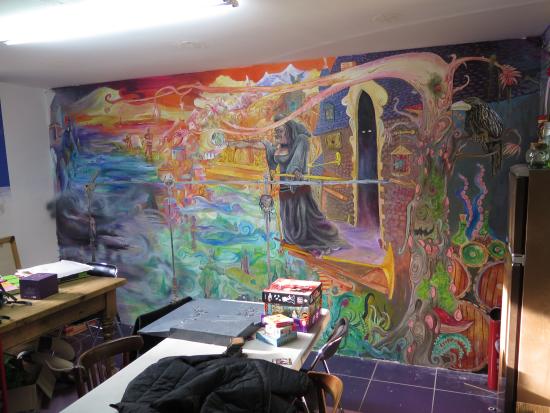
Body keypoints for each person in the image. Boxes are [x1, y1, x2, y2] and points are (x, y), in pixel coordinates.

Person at [262, 115, 348, 255]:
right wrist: (266, 146)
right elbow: (272, 161)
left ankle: (320, 240)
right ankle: (294, 240)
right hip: (284, 190)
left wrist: (295, 170)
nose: (277, 134)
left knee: (305, 223)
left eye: (280, 130)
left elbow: (296, 161)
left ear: (289, 130)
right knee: (289, 229)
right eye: (276, 131)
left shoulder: (300, 141)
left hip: (298, 188)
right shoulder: (277, 147)